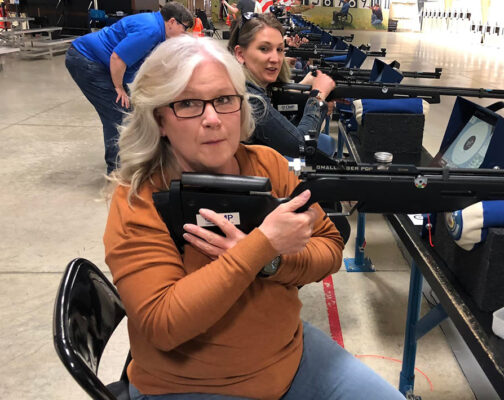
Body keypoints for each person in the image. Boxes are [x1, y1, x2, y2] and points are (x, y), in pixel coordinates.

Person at [104, 35, 405, 400]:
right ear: (160, 120)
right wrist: (259, 248)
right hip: (189, 385)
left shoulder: (267, 163)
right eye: (187, 104)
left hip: (291, 356)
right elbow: (163, 324)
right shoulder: (139, 197)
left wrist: (273, 262)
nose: (213, 119)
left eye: (224, 100)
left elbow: (330, 248)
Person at [65, 3, 194, 174]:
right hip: (88, 60)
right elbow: (117, 58)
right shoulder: (151, 30)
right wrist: (118, 88)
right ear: (172, 22)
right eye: (184, 28)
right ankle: (116, 173)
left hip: (98, 62)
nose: (184, 34)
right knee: (117, 113)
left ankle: (130, 161)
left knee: (129, 111)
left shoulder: (155, 27)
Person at [228, 13, 336, 158]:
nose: (276, 59)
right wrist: (318, 97)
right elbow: (301, 146)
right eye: (264, 49)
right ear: (240, 54)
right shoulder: (251, 99)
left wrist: (310, 94)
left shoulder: (243, 84)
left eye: (279, 49)